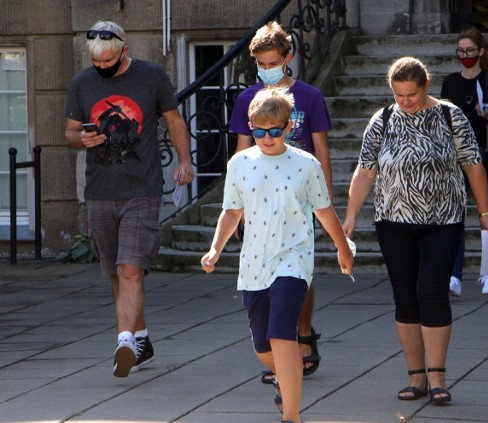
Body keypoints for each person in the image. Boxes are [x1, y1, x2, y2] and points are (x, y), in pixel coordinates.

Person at [341, 57, 488, 403]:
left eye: (411, 94)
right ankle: (416, 377)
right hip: (393, 222)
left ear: (426, 86)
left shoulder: (450, 115)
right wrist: (350, 216)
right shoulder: (381, 120)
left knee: (432, 291)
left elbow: (473, 165)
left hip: (443, 220)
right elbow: (366, 171)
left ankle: (438, 376)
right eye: (399, 95)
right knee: (405, 297)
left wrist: (486, 212)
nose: (405, 101)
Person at [201, 86, 353, 423]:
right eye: (258, 130)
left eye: (274, 130)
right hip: (255, 263)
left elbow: (325, 212)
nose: (267, 137)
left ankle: (292, 416)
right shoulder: (240, 163)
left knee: (282, 331)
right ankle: (288, 379)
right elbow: (231, 211)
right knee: (263, 347)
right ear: (251, 127)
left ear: (287, 128)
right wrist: (215, 248)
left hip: (294, 258)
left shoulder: (305, 164)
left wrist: (344, 248)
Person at [64, 21, 194, 378]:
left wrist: (185, 161)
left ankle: (124, 342)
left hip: (142, 189)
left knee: (130, 268)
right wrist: (81, 140)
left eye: (108, 60)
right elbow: (70, 132)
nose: (102, 67)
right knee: (115, 274)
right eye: (96, 63)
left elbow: (175, 121)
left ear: (123, 49)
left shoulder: (151, 77)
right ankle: (142, 338)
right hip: (100, 192)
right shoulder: (81, 83)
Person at [229, 21, 333, 382]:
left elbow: (321, 149)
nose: (266, 69)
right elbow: (241, 151)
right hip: (260, 194)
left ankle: (301, 332)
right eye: (260, 62)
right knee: (266, 269)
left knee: (295, 264)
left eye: (273, 61)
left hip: (299, 193)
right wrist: (237, 206)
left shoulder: (309, 96)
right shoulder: (247, 100)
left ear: (288, 58)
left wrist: (327, 201)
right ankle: (281, 349)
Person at [441, 26, 488, 297]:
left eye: (470, 50)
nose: (466, 55)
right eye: (461, 51)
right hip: (458, 162)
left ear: (481, 51)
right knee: (454, 219)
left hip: (487, 159)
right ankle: (454, 275)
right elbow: (443, 118)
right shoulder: (451, 82)